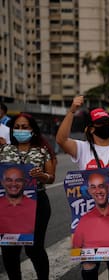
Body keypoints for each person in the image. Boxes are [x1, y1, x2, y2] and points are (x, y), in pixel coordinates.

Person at [56, 96, 109, 280]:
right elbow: (61, 139)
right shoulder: (82, 148)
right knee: (89, 262)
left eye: (108, 122)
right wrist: (71, 111)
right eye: (101, 123)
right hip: (89, 212)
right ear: (91, 128)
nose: (106, 125)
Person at [0, 113, 56, 280]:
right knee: (10, 248)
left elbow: (51, 178)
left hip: (37, 203)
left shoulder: (42, 151)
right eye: (17, 127)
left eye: (25, 127)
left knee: (34, 248)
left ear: (33, 130)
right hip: (9, 205)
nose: (20, 130)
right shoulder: (3, 150)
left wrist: (41, 176)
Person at [72, 172, 109, 249]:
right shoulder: (84, 220)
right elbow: (76, 248)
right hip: (92, 257)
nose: (98, 191)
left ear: (107, 188)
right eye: (93, 187)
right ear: (89, 191)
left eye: (101, 186)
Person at [0, 166, 36, 234]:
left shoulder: (34, 206)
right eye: (9, 180)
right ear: (3, 182)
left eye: (18, 180)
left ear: (25, 183)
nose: (13, 184)